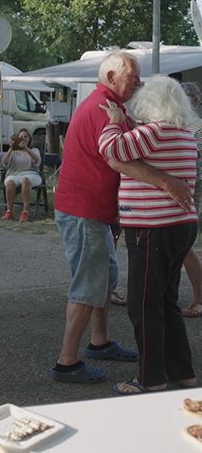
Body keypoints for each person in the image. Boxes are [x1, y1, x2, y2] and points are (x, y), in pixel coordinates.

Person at [50, 51, 191, 384]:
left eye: (140, 77)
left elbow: (129, 148)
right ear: (111, 77)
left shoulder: (114, 107)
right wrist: (168, 182)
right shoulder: (105, 108)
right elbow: (116, 158)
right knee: (89, 284)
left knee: (105, 277)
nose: (138, 83)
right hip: (84, 210)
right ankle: (66, 362)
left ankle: (99, 342)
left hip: (96, 210)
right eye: (133, 76)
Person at [98, 75, 198, 393]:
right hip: (180, 225)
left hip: (151, 227)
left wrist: (114, 121)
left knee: (142, 304)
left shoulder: (154, 133)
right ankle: (182, 372)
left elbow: (110, 150)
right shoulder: (184, 134)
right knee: (166, 301)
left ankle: (150, 379)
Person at [180, 81, 202, 318]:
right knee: (176, 246)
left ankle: (200, 298)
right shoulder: (177, 124)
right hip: (176, 190)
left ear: (194, 101)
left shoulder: (198, 127)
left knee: (185, 246)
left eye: (183, 97)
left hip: (192, 191)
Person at [1, 128, 42, 222]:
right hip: (15, 173)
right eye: (20, 137)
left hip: (31, 173)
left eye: (25, 137)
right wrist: (11, 148)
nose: (23, 139)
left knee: (25, 179)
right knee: (10, 182)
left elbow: (37, 161)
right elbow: (5, 162)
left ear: (29, 139)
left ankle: (25, 212)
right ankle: (9, 211)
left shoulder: (34, 150)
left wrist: (27, 149)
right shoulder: (14, 152)